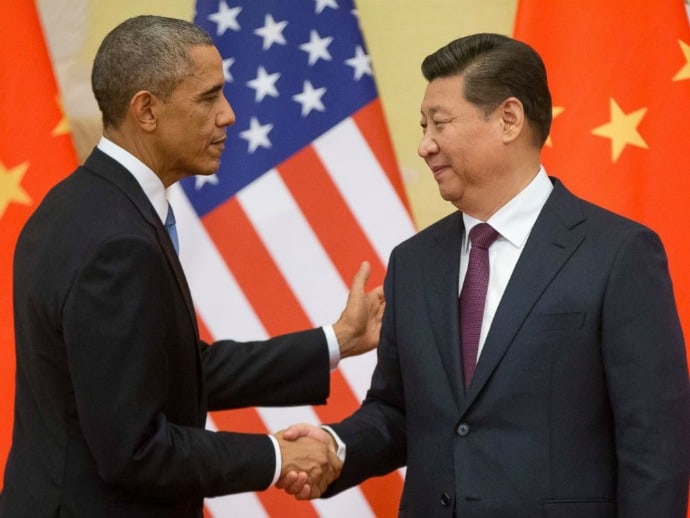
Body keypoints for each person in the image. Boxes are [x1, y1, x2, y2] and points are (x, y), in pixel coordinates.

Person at [277, 33, 690, 516]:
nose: (424, 145)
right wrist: (334, 446)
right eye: (423, 125)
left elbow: (655, 443)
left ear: (509, 120)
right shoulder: (413, 262)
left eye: (440, 123)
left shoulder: (618, 253)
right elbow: (397, 412)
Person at [0, 15, 385, 518]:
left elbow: (178, 372)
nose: (228, 115)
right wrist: (276, 455)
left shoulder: (83, 204)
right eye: (208, 97)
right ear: (147, 110)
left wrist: (339, 340)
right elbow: (134, 450)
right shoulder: (117, 240)